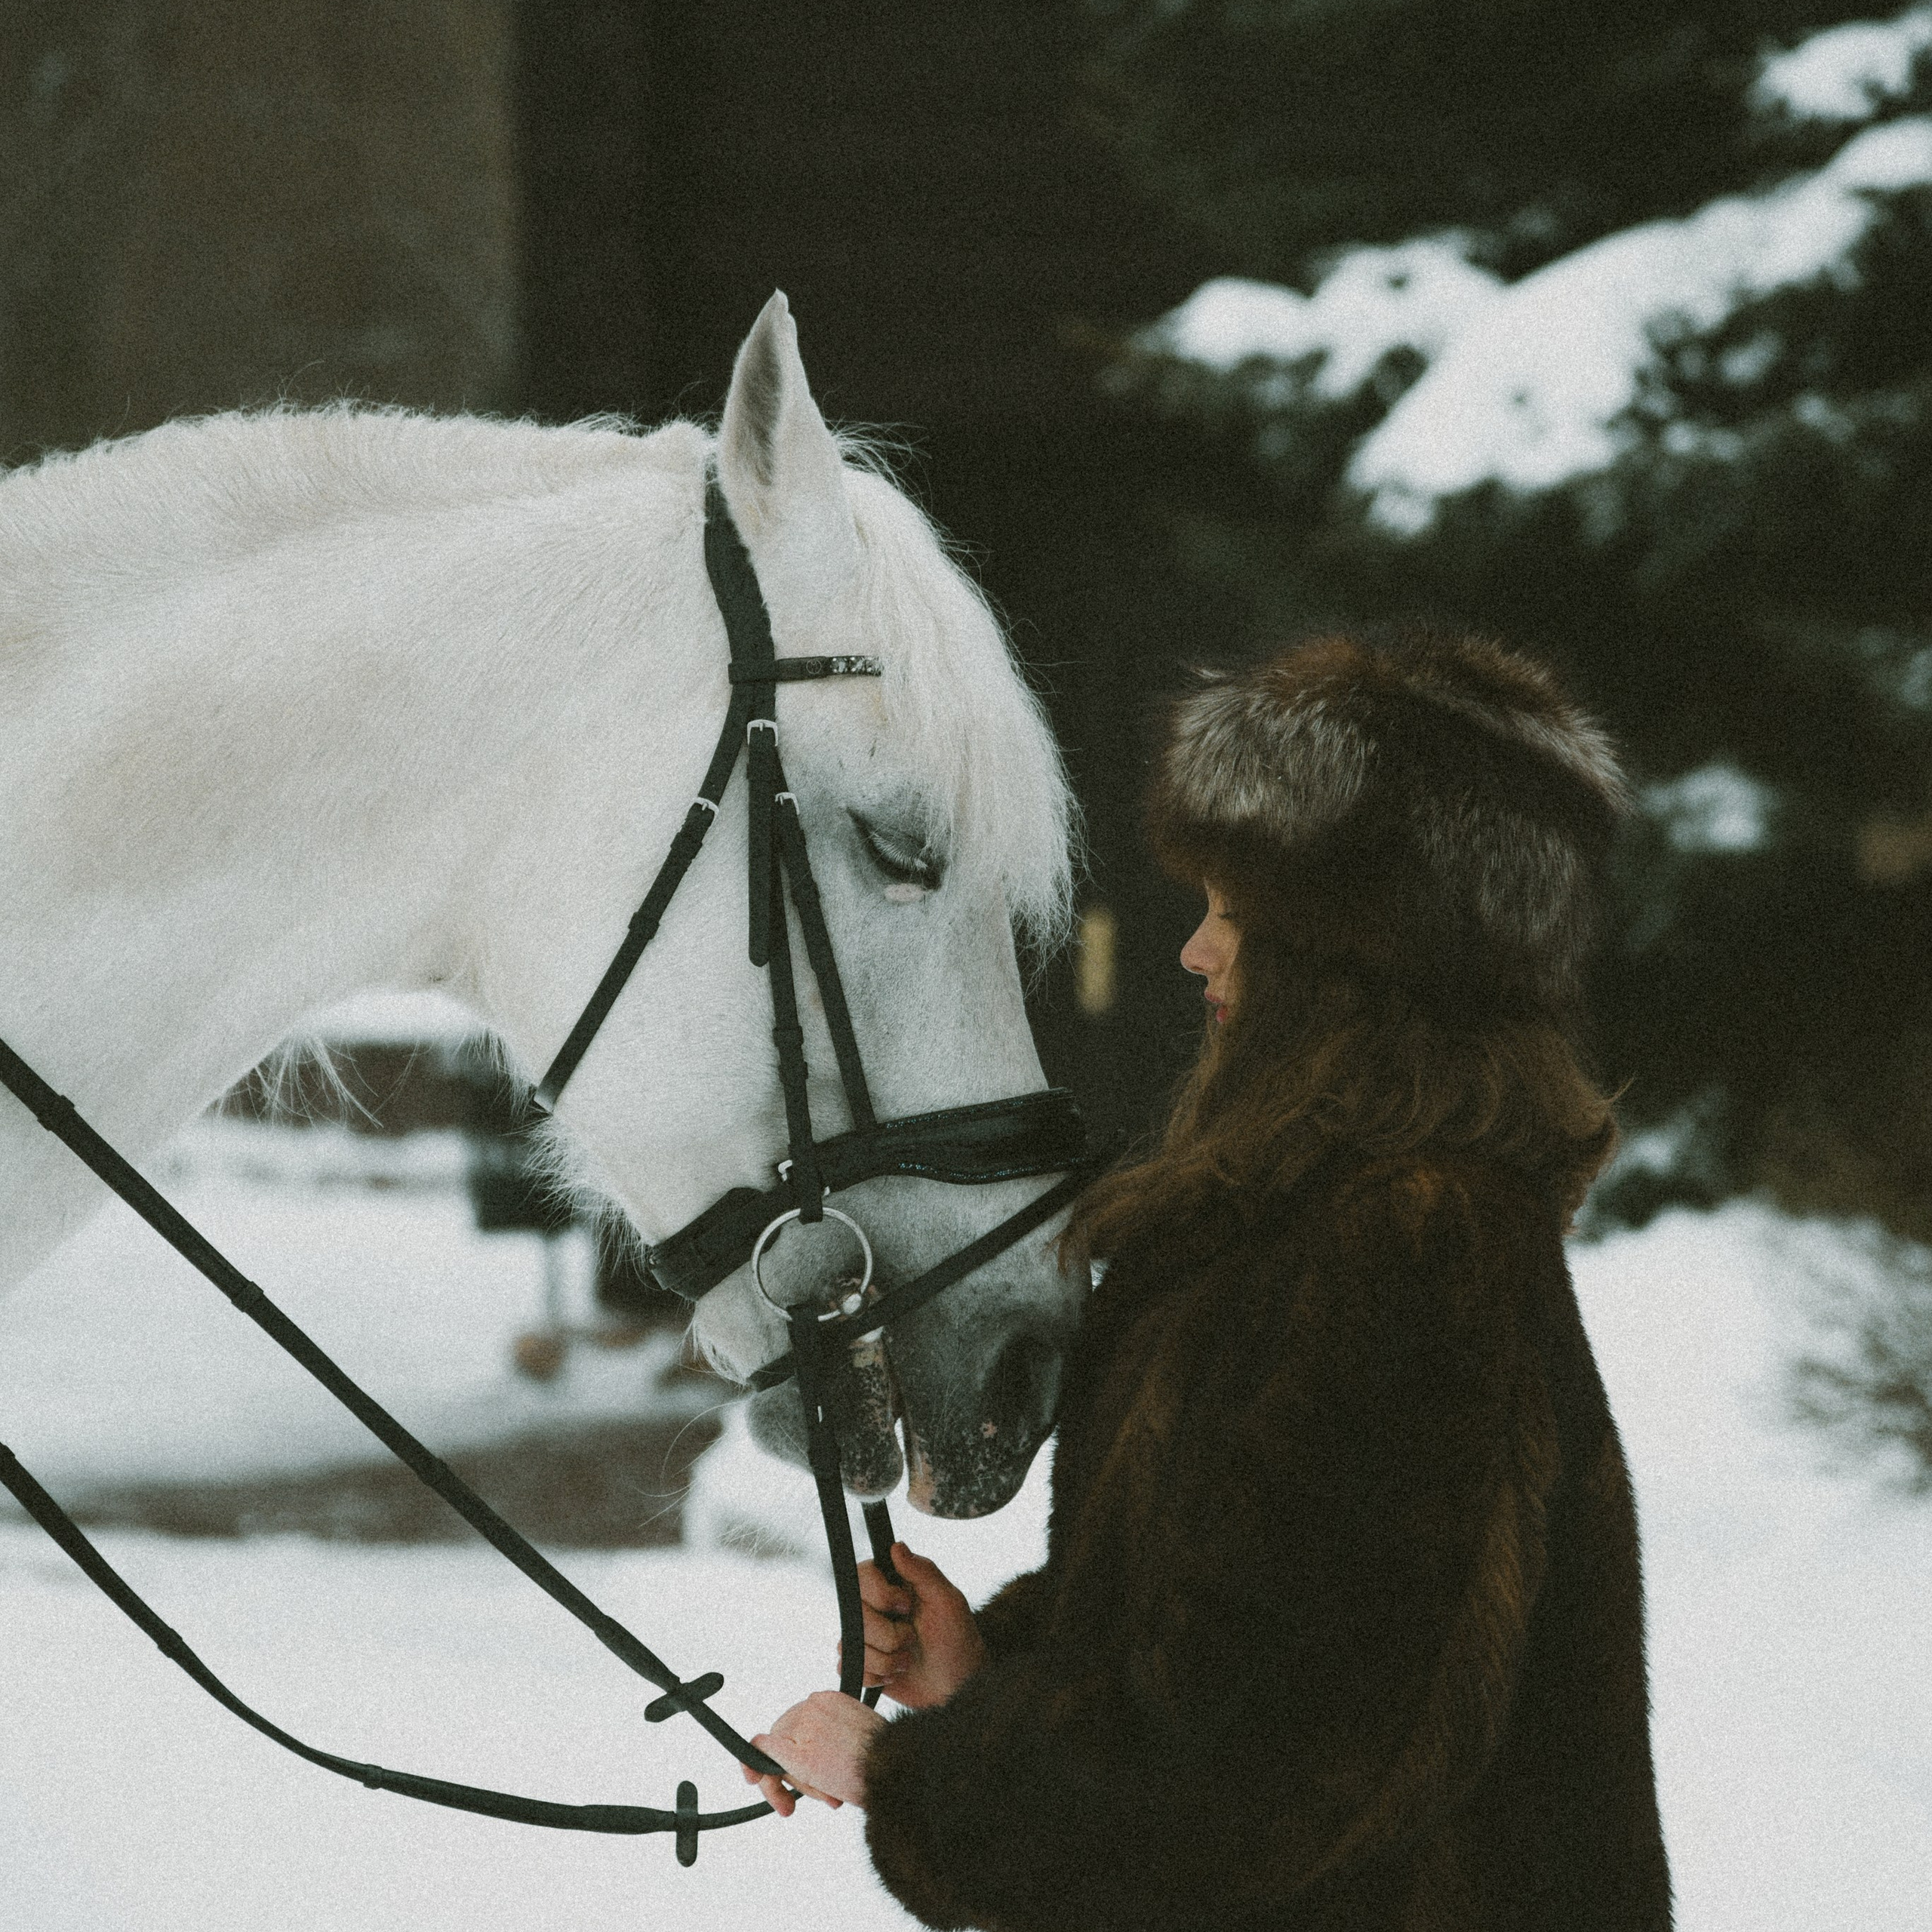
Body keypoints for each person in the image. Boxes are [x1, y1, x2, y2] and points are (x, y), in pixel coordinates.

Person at [743, 628, 1674, 1931]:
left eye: (1237, 914)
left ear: (1354, 955)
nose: (1194, 952)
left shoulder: (1410, 1245)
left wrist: (915, 1781)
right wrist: (989, 1672)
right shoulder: (1308, 1222)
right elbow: (1249, 1620)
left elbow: (1257, 1770)